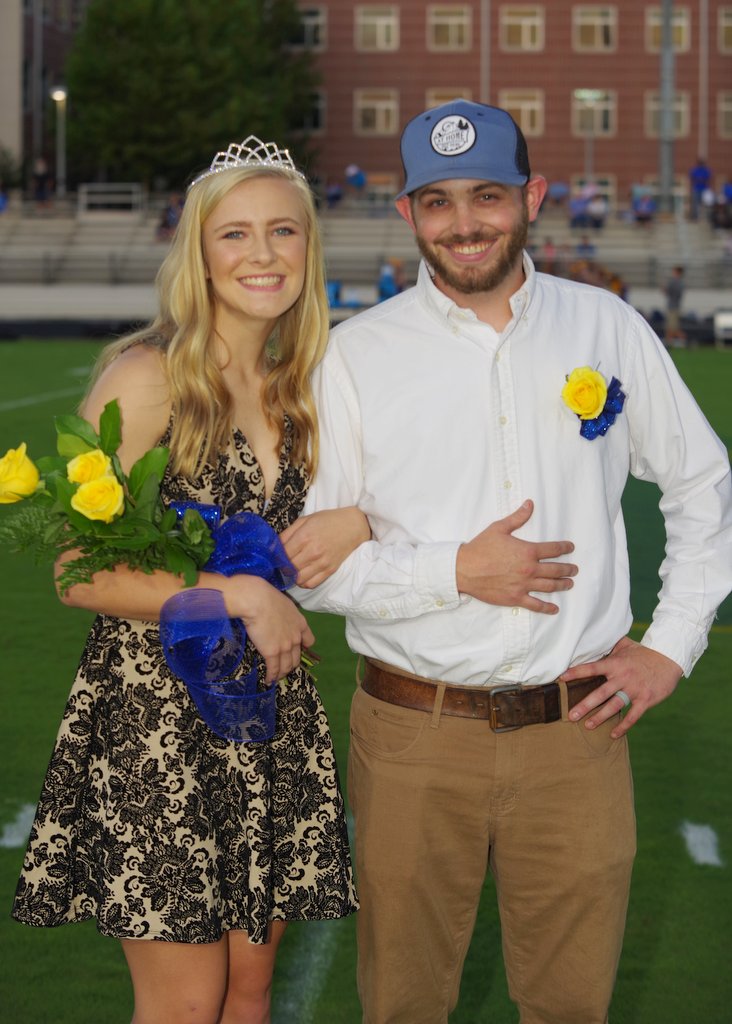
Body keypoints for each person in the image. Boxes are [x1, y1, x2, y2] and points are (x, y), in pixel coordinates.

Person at [282, 100, 732, 1023]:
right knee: (403, 1005)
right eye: (437, 202)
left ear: (531, 197)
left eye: (486, 195)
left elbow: (702, 482)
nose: (464, 223)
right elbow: (311, 567)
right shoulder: (354, 357)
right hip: (412, 732)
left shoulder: (606, 327)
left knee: (570, 1006)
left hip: (576, 734)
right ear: (408, 214)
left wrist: (670, 645)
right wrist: (456, 570)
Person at [11, 136, 365, 1024]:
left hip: (269, 715)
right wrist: (233, 592)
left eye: (282, 231)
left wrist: (361, 522)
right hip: (155, 724)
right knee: (185, 1004)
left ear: (308, 247)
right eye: (234, 233)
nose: (261, 253)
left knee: (248, 996)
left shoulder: (302, 387)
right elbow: (76, 571)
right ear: (199, 254)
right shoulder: (147, 377)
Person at [664, 265, 686, 347]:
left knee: (674, 328)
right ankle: (668, 343)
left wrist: (666, 289)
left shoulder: (677, 282)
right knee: (669, 327)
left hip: (673, 307)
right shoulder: (679, 282)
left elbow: (671, 292)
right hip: (673, 306)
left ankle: (686, 341)